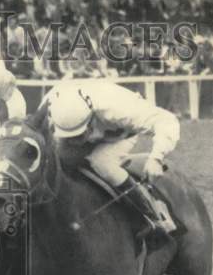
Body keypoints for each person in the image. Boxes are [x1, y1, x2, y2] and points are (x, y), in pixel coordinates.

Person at [39, 78, 180, 238]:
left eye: (79, 134)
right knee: (54, 162)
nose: (76, 142)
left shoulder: (117, 107)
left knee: (103, 164)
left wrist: (156, 158)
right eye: (71, 137)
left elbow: (167, 120)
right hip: (68, 133)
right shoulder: (50, 105)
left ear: (92, 116)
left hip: (116, 136)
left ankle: (151, 217)